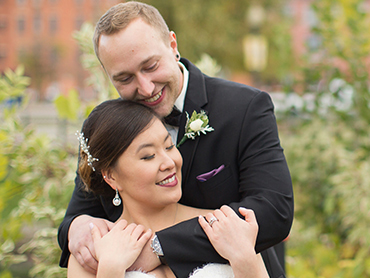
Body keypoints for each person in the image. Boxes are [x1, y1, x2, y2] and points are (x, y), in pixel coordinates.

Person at [58, 2, 293, 278]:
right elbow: (78, 215)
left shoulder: (244, 108)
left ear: (172, 44)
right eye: (124, 78)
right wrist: (77, 227)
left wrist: (160, 246)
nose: (145, 88)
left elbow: (273, 211)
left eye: (150, 66)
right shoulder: (106, 128)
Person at [67, 99, 269, 278]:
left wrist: (245, 259)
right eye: (148, 156)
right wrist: (110, 270)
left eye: (169, 146)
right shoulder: (94, 251)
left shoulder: (225, 227)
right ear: (111, 176)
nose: (169, 163)